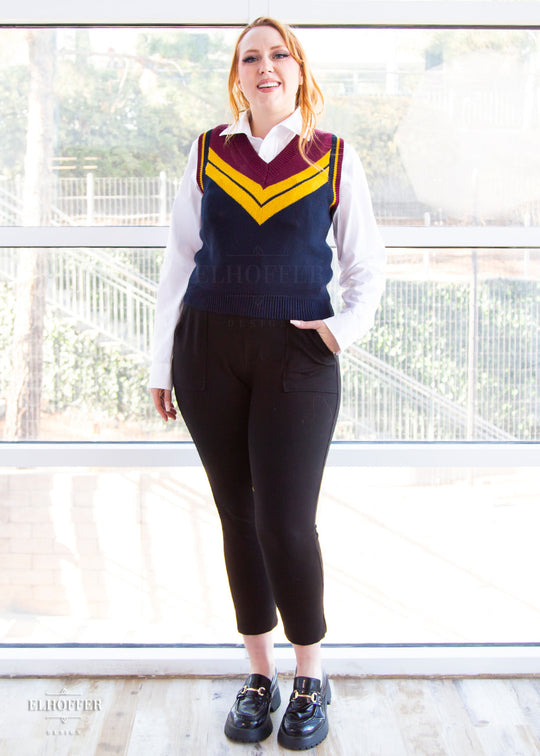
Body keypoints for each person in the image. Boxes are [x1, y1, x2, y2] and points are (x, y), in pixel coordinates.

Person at [149, 16, 385, 750]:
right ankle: (260, 675)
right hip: (207, 351)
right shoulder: (209, 151)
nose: (265, 66)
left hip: (297, 356)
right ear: (237, 74)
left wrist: (337, 332)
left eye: (279, 54)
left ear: (299, 69)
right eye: (250, 57)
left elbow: (367, 268)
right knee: (238, 519)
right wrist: (161, 361)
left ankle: (311, 675)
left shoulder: (333, 155)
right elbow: (179, 260)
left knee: (286, 523)